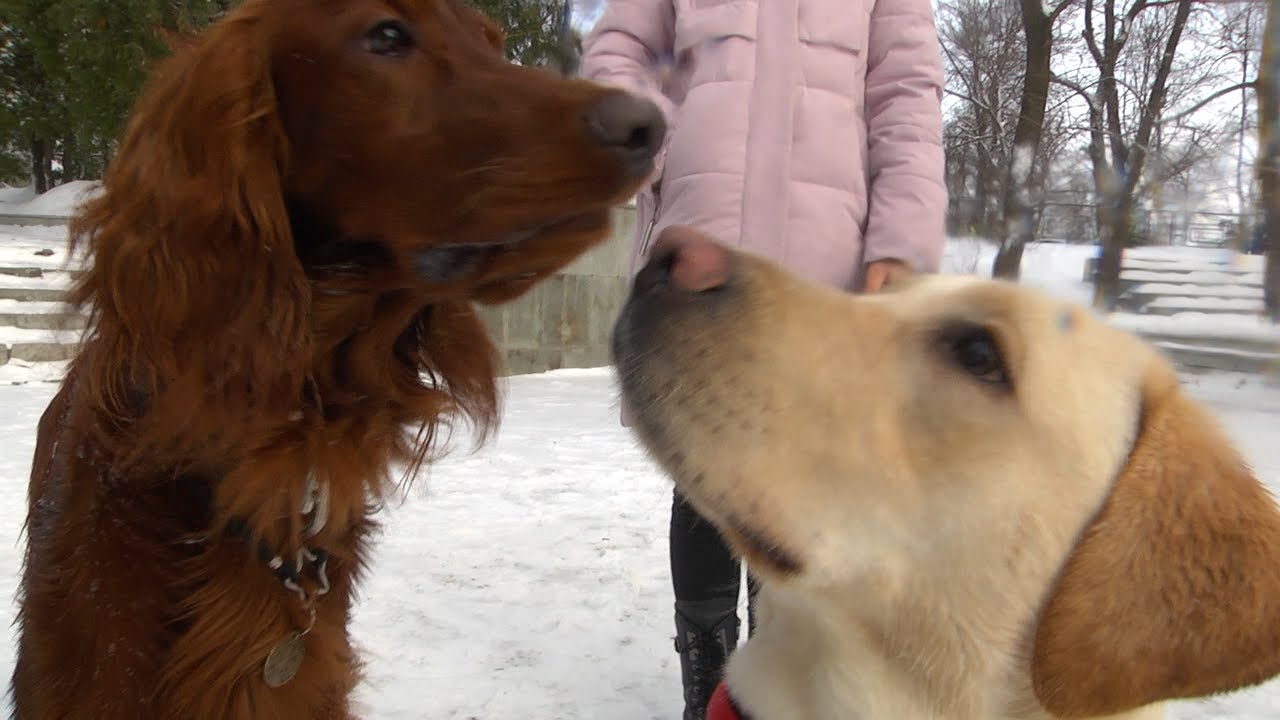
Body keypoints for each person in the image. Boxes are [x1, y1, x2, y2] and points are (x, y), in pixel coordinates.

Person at [580, 1, 947, 717]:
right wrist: (640, 132)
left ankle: (784, 685)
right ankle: (708, 686)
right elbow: (623, 46)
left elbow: (906, 94)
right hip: (702, 239)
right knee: (704, 478)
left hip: (827, 263)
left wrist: (900, 241)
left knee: (807, 492)